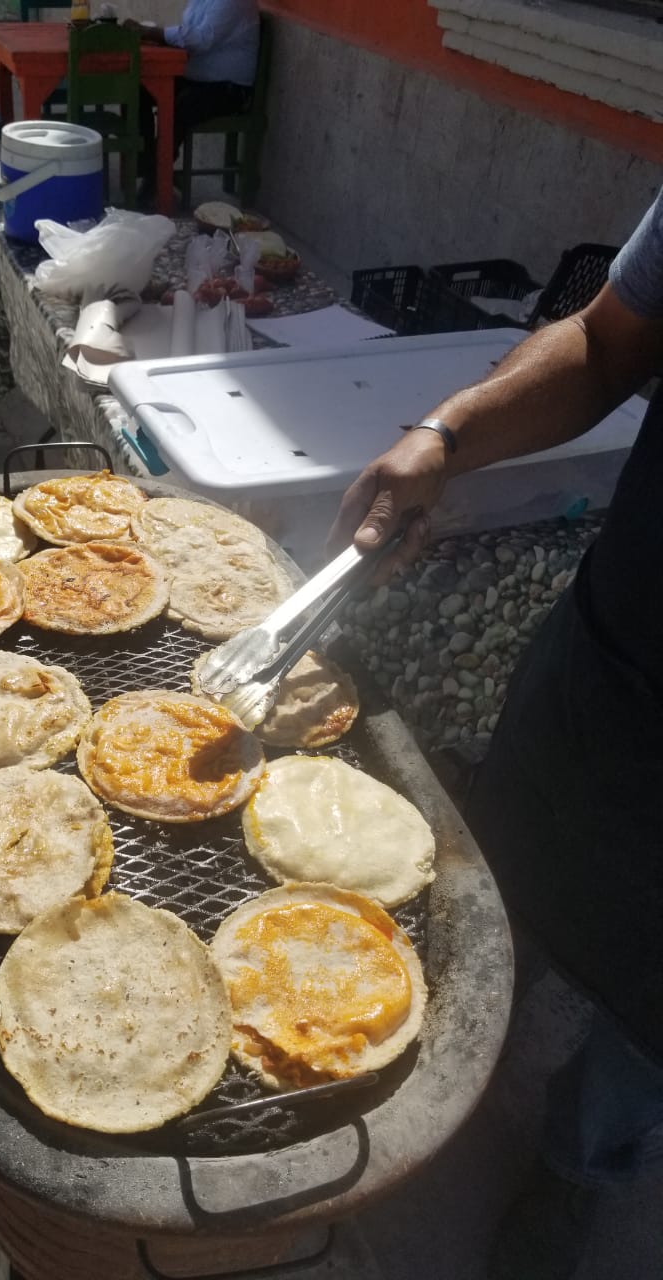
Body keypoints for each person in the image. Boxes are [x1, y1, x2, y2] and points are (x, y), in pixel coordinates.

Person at [328, 190, 663, 1280]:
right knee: (484, 887)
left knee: (647, 1022)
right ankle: (412, 1070)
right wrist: (444, 435)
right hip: (622, 651)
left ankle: (580, 1167)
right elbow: (612, 340)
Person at [123, 0, 259, 204]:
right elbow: (188, 32)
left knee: (179, 108)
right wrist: (159, 37)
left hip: (230, 89)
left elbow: (201, 39)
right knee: (137, 90)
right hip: (197, 79)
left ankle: (155, 181)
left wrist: (154, 33)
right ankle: (147, 166)